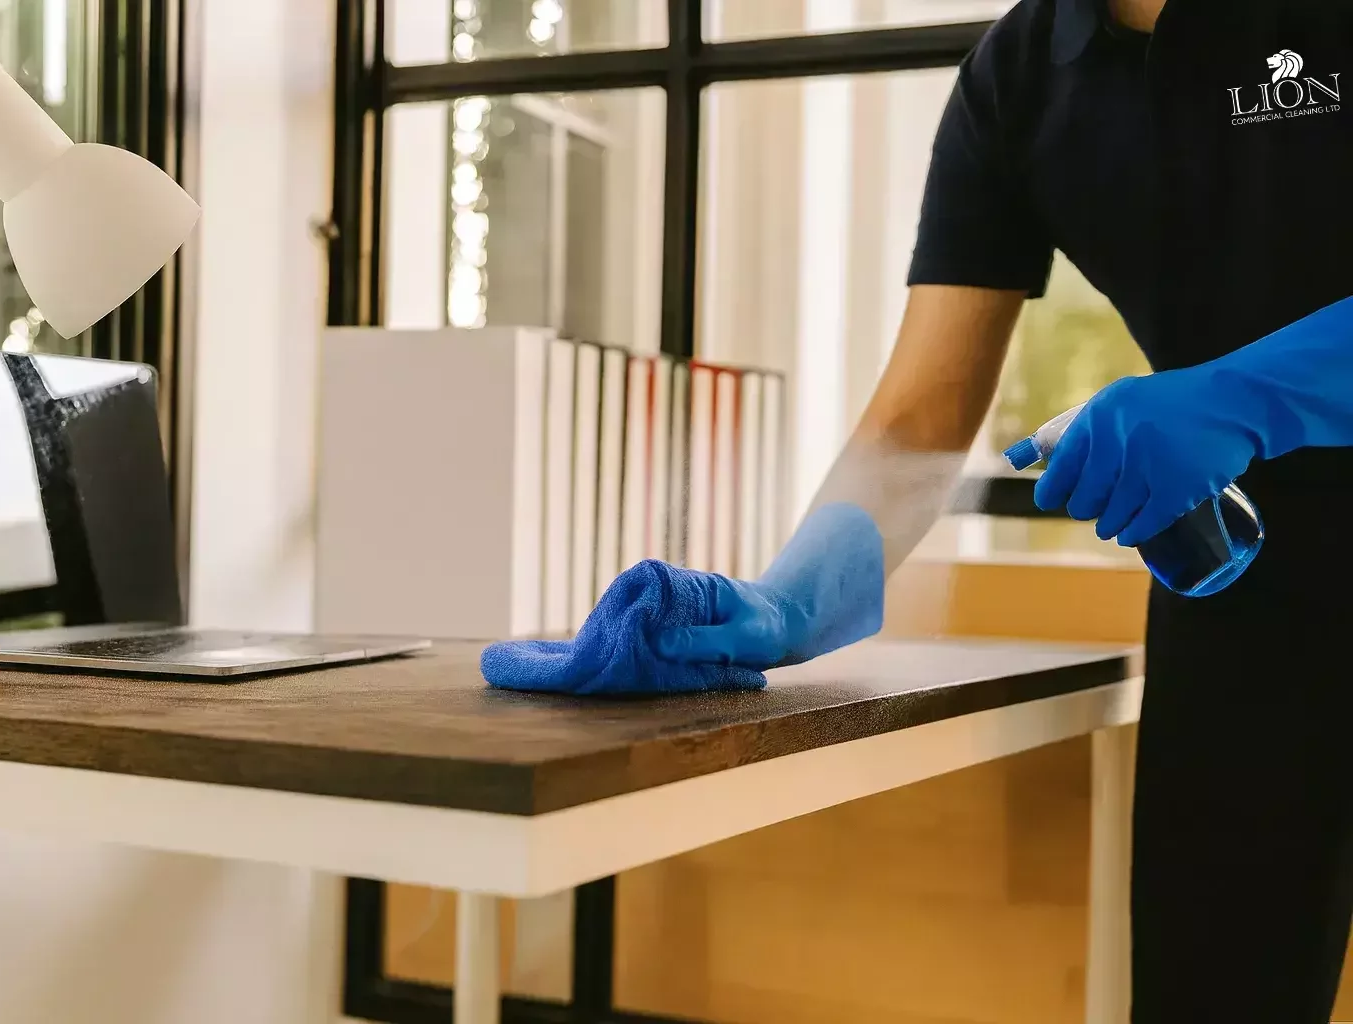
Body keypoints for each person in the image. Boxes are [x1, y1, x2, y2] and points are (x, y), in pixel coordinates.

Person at [487, 0, 1353, 1018]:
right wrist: (795, 599)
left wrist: (1247, 393)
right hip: (1240, 582)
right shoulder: (1022, 75)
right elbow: (922, 411)